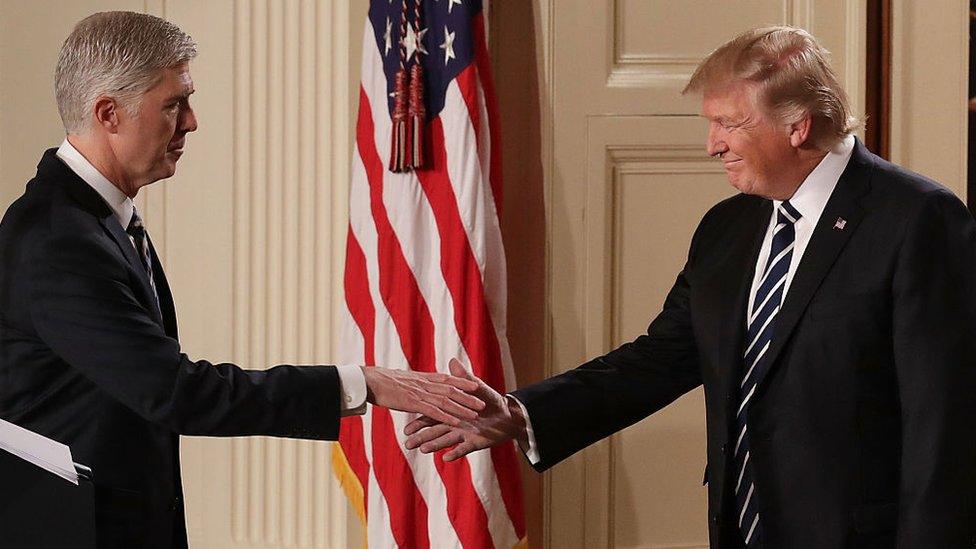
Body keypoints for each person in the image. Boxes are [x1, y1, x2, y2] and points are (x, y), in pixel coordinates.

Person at [405, 26, 976, 548]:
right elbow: (659, 360)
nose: (712, 144)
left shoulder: (917, 220)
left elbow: (944, 423)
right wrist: (520, 413)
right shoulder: (729, 228)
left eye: (729, 123)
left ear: (798, 124)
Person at [0, 11, 483, 549]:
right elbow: (175, 392)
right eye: (174, 105)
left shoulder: (90, 218)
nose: (191, 122)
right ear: (109, 113)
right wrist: (362, 383)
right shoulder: (58, 239)